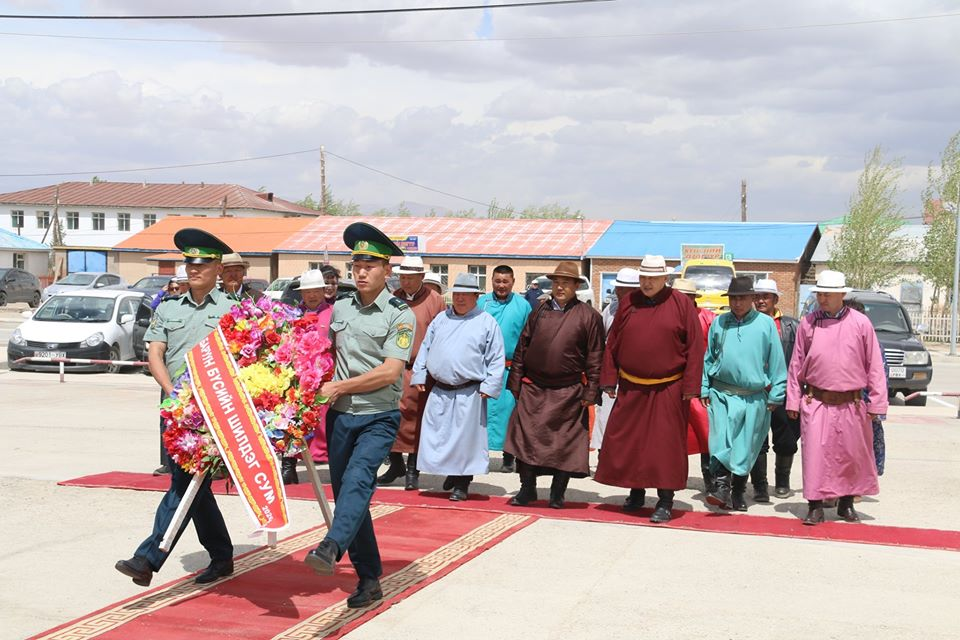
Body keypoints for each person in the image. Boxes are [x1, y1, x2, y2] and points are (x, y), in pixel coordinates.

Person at [115, 228, 238, 587]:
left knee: (185, 483)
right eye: (189, 262)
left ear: (217, 267)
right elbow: (155, 352)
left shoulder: (234, 309)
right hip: (175, 406)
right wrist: (171, 392)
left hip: (214, 408)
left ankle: (148, 557)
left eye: (201, 263)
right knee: (192, 486)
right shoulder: (168, 307)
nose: (193, 268)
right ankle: (221, 555)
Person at [303, 222, 414, 609]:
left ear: (387, 270)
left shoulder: (400, 314)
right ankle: (369, 578)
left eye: (370, 265)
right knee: (351, 496)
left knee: (356, 482)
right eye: (357, 264)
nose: (362, 271)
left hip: (377, 416)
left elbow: (390, 371)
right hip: (339, 417)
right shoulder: (341, 308)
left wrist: (338, 387)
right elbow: (323, 354)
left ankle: (331, 546)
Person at [595, 255, 704, 523]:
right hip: (631, 386)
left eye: (653, 278)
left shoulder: (681, 303)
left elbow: (695, 347)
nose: (647, 283)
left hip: (669, 387)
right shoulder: (629, 303)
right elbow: (613, 342)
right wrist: (609, 379)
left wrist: (691, 386)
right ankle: (636, 491)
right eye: (643, 278)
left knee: (663, 446)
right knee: (631, 443)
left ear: (664, 279)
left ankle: (665, 499)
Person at [786, 270, 887, 525]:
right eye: (819, 293)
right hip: (816, 400)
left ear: (842, 294)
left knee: (851, 455)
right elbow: (796, 364)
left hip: (852, 403)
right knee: (815, 455)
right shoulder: (808, 323)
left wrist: (877, 402)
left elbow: (874, 365)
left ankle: (846, 503)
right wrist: (792, 399)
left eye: (827, 294)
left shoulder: (861, 323)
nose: (822, 299)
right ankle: (815, 505)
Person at [504, 261, 604, 509]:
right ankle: (527, 489)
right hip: (533, 388)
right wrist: (515, 383)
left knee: (564, 444)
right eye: (557, 282)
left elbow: (595, 357)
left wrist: (591, 390)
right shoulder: (537, 311)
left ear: (576, 286)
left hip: (569, 391)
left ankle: (557, 493)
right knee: (525, 440)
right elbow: (522, 348)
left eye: (566, 282)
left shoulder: (589, 316)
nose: (560, 287)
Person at [411, 273, 505, 501]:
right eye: (457, 294)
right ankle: (451, 473)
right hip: (440, 389)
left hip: (469, 392)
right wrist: (419, 375)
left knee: (465, 441)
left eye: (466, 294)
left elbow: (496, 357)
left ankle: (462, 483)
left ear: (476, 296)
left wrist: (490, 385)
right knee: (439, 437)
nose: (460, 299)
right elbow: (425, 347)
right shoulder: (441, 319)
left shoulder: (486, 322)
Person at [701, 276, 787, 512]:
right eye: (733, 299)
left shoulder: (766, 324)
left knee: (745, 446)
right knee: (720, 442)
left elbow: (777, 362)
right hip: (722, 393)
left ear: (752, 298)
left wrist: (777, 393)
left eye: (742, 298)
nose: (737, 303)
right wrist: (704, 387)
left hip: (753, 396)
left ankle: (738, 491)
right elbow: (708, 357)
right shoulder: (719, 323)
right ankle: (720, 488)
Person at [376, 256, 446, 490]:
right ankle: (395, 463)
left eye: (410, 277)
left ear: (421, 277)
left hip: (421, 370)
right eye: (402, 277)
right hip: (393, 367)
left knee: (416, 421)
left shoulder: (436, 300)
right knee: (390, 417)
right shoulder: (392, 299)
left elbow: (441, 336)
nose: (405, 282)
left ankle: (413, 469)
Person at [275, 269, 334, 485]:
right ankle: (289, 465)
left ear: (323, 290)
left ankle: (328, 462)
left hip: (325, 376)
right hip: (295, 376)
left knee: (324, 423)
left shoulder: (334, 313)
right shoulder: (291, 315)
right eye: (307, 291)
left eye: (315, 290)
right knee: (291, 420)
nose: (311, 295)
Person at [477, 265, 532, 473]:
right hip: (483, 369)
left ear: (513, 282)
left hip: (511, 370)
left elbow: (529, 338)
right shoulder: (481, 303)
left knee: (510, 415)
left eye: (505, 281)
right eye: (497, 281)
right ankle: (479, 457)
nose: (501, 285)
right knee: (481, 415)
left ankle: (509, 457)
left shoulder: (523, 305)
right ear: (491, 281)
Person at [751, 278, 801, 500]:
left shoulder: (792, 326)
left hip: (783, 392)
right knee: (756, 442)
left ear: (775, 299)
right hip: (756, 393)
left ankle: (782, 482)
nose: (761, 300)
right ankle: (760, 486)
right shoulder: (747, 322)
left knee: (786, 440)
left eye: (766, 296)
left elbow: (801, 359)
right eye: (757, 296)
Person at [671, 277, 715, 491]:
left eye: (685, 297)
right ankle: (673, 478)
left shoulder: (709, 319)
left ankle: (711, 479)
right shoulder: (666, 316)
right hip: (671, 384)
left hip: (700, 385)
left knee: (706, 434)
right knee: (671, 434)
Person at [591, 268, 640, 452]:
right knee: (606, 415)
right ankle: (604, 454)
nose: (618, 292)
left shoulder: (645, 310)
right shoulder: (610, 309)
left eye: (623, 289)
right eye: (618, 288)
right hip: (612, 373)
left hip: (634, 374)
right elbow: (602, 339)